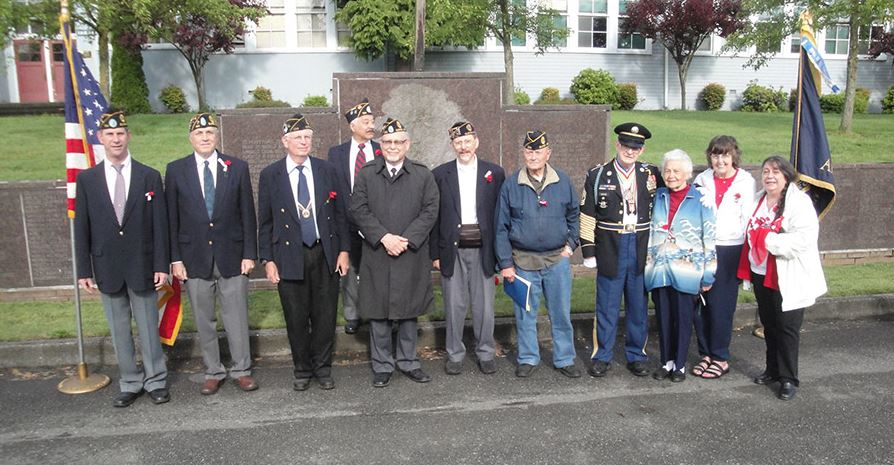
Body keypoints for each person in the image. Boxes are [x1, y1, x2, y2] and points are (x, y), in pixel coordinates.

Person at [73, 111, 170, 407]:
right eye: (109, 134)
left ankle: (156, 380)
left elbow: (160, 226)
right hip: (107, 267)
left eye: (121, 133)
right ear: (100, 138)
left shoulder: (148, 175)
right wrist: (83, 268)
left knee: (147, 327)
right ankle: (130, 381)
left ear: (128, 136)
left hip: (142, 266)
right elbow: (82, 227)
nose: (116, 139)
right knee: (119, 330)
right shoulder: (87, 179)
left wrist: (161, 265)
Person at [165, 112, 259, 395]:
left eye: (210, 134)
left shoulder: (236, 167)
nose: (205, 138)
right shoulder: (176, 170)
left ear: (217, 137)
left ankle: (242, 369)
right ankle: (213, 370)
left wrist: (249, 253)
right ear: (190, 138)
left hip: (232, 255)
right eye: (199, 134)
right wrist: (175, 259)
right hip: (193, 258)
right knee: (204, 318)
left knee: (236, 317)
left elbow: (247, 214)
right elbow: (171, 218)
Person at [257, 114, 350, 391]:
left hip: (324, 253)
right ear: (285, 141)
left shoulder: (327, 170)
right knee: (296, 316)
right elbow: (265, 221)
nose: (303, 142)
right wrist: (268, 260)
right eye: (297, 137)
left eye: (307, 137)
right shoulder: (270, 175)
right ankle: (301, 369)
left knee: (324, 315)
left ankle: (322, 368)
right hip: (289, 255)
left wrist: (344, 251)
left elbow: (341, 214)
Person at [349, 118, 440, 388]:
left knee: (409, 311)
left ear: (407, 144)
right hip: (378, 252)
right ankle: (382, 365)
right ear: (380, 145)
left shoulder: (423, 174)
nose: (393, 147)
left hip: (410, 253)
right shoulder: (366, 173)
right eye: (387, 142)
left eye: (398, 142)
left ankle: (409, 361)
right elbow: (358, 209)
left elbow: (431, 210)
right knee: (378, 311)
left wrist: (407, 239)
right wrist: (384, 237)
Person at [738, 156, 827, 401]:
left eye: (775, 171)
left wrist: (766, 239)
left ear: (786, 176)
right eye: (765, 171)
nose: (769, 176)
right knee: (770, 324)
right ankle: (773, 370)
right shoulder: (758, 200)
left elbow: (802, 240)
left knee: (787, 328)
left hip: (789, 275)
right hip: (761, 273)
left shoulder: (800, 203)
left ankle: (788, 378)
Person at [495, 130, 581, 379]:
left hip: (557, 260)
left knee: (561, 313)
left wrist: (570, 246)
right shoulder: (511, 184)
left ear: (548, 153)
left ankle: (564, 358)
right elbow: (501, 227)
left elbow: (574, 216)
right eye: (529, 151)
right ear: (524, 153)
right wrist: (506, 264)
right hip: (523, 261)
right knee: (525, 313)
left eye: (538, 151)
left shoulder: (562, 182)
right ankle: (528, 357)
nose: (533, 156)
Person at [580, 122, 663, 378]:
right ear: (617, 145)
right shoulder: (597, 174)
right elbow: (587, 215)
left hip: (639, 244)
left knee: (638, 305)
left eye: (636, 147)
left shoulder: (651, 173)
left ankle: (636, 355)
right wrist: (589, 252)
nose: (630, 150)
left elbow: (665, 204)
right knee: (607, 304)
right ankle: (602, 355)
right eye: (626, 145)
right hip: (611, 246)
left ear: (642, 149)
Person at [430, 122, 505, 375]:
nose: (463, 146)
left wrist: (500, 252)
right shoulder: (440, 174)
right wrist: (435, 254)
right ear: (452, 145)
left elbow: (499, 215)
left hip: (483, 249)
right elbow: (434, 217)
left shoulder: (494, 173)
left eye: (467, 141)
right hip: (452, 249)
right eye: (458, 142)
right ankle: (455, 353)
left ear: (476, 142)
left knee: (484, 307)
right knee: (454, 305)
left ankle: (485, 352)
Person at [645, 150, 717, 383]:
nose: (671, 175)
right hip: (659, 271)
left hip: (688, 272)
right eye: (667, 170)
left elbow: (710, 239)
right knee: (664, 318)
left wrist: (708, 275)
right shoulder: (658, 196)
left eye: (676, 171)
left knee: (684, 319)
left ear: (687, 173)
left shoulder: (701, 200)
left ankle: (680, 365)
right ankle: (666, 362)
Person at [690, 135, 755, 379]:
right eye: (716, 155)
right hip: (703, 247)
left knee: (721, 306)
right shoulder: (702, 179)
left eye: (725, 155)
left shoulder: (745, 182)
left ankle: (720, 356)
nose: (720, 160)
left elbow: (748, 219)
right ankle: (705, 353)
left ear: (734, 156)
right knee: (700, 304)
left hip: (730, 249)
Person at [327, 99, 381, 335]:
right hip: (347, 223)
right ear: (352, 126)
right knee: (348, 272)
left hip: (377, 223)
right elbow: (334, 189)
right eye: (366, 122)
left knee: (377, 270)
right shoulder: (336, 153)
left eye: (372, 121)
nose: (371, 126)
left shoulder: (382, 150)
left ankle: (377, 311)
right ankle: (352, 314)